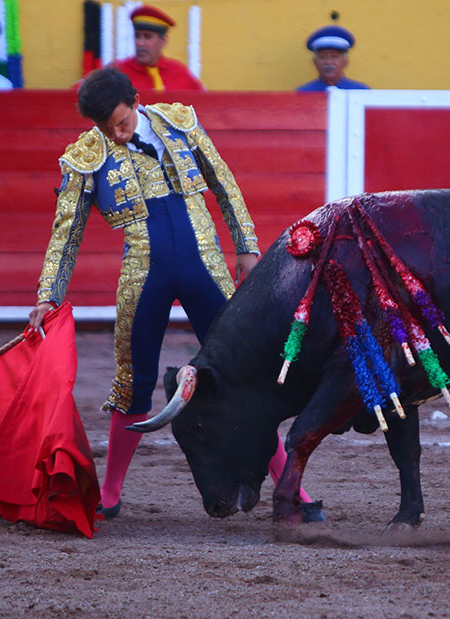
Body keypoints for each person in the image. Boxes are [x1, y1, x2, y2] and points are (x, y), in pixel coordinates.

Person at [28, 67, 324, 522]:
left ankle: (293, 492)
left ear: (136, 101)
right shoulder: (85, 156)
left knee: (242, 380)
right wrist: (48, 294)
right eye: (106, 128)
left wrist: (246, 246)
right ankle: (110, 493)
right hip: (143, 276)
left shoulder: (179, 122)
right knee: (133, 383)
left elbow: (223, 182)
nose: (117, 135)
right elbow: (65, 234)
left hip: (205, 265)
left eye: (122, 123)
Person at [112, 4, 206, 92]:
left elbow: (202, 101)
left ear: (163, 41)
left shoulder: (179, 73)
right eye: (137, 36)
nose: (140, 43)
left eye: (147, 37)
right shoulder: (117, 72)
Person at [297, 25, 370, 91]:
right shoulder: (303, 93)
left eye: (334, 56)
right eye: (322, 57)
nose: (328, 62)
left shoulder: (361, 92)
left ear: (346, 61)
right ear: (314, 62)